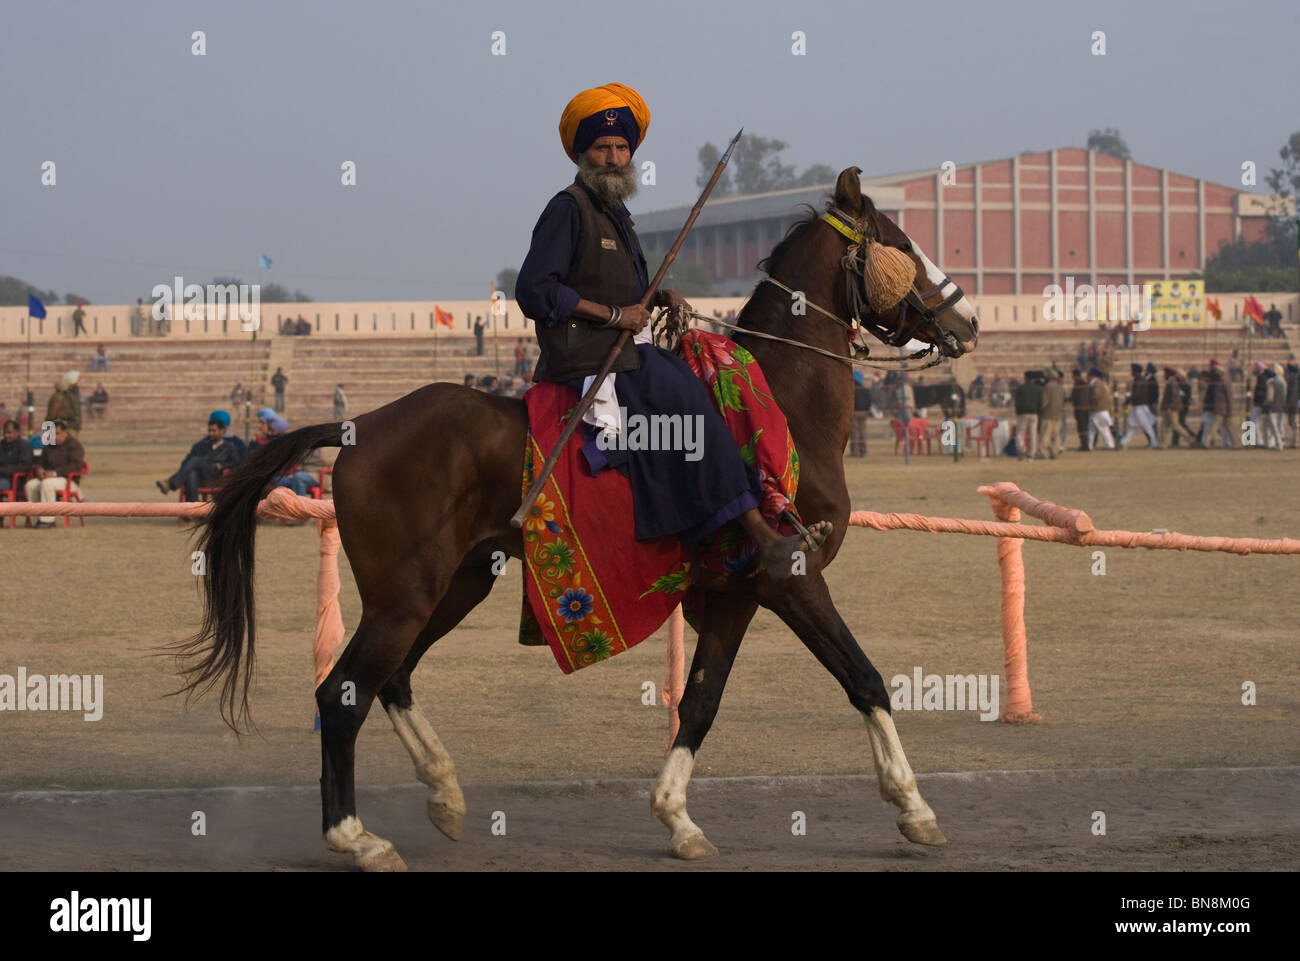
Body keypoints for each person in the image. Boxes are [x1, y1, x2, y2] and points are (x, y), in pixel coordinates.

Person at [514, 81, 828, 572]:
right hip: (590, 355)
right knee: (690, 406)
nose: (614, 157)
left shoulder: (616, 213)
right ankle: (758, 537)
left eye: (621, 147)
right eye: (602, 148)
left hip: (626, 347)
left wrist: (659, 297)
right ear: (582, 154)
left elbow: (620, 290)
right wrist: (617, 317)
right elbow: (535, 291)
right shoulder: (568, 209)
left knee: (717, 376)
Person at [155, 411, 243, 501]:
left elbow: (236, 462)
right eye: (209, 431)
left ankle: (170, 484)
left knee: (196, 461)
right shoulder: (201, 445)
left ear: (222, 431)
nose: (211, 433)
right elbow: (186, 462)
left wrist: (221, 466)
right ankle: (193, 509)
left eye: (214, 431)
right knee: (192, 473)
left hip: (216, 478)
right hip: (200, 479)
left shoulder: (229, 447)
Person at [23, 420, 85, 527]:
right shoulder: (49, 446)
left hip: (67, 480)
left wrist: (55, 473)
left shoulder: (75, 445)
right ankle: (38, 517)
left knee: (48, 484)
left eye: (57, 433)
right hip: (47, 478)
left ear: (65, 433)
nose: (54, 436)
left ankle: (48, 520)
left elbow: (76, 466)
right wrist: (39, 469)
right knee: (30, 486)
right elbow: (40, 462)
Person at [1119, 363, 1160, 449]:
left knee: (1146, 425)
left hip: (1140, 407)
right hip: (1138, 406)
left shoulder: (1139, 381)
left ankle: (1154, 442)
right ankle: (1124, 442)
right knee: (1132, 425)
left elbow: (1135, 394)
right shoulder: (1142, 380)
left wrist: (1127, 402)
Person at [1159, 368, 1197, 448]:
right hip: (1168, 408)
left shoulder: (1172, 383)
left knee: (1175, 426)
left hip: (1171, 408)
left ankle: (1191, 440)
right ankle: (1163, 444)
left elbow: (1174, 397)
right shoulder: (1172, 382)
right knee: (1164, 426)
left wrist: (1170, 408)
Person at [1198, 360, 1233, 448]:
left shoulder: (1222, 381)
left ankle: (1207, 442)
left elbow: (1228, 396)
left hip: (1220, 408)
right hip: (1217, 408)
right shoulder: (1216, 381)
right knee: (1223, 427)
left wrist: (1229, 409)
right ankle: (1231, 443)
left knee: (1219, 427)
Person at [1012, 370, 1042, 461]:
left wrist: (1017, 411)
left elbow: (1017, 402)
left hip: (1023, 413)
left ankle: (1022, 450)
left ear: (1025, 377)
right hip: (1034, 413)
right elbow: (1040, 402)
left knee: (1020, 433)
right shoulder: (1037, 389)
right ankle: (1032, 454)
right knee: (1033, 434)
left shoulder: (1020, 388)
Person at [0, 419, 34, 498]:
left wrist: (4, 470)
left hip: (14, 480)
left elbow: (25, 466)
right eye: (5, 433)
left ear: (17, 432)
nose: (6, 435)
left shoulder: (24, 446)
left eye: (9, 433)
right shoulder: (2, 445)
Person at [1037, 369, 1064, 459]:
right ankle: (1055, 452)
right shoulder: (1060, 387)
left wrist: (1039, 409)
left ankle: (1043, 453)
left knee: (1045, 435)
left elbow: (1044, 401)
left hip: (1047, 415)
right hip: (1058, 415)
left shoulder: (1047, 387)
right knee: (1056, 436)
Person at [1087, 368, 1116, 450]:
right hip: (1100, 409)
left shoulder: (1096, 384)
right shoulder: (1100, 383)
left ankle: (1109, 444)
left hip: (1098, 410)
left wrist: (1091, 403)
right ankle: (1090, 445)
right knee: (1094, 429)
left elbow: (1096, 395)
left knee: (1102, 429)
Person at [1069, 369, 1092, 451]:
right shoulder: (1086, 384)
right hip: (1087, 409)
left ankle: (1084, 445)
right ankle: (1086, 444)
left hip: (1079, 409)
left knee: (1081, 428)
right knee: (1085, 427)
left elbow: (1073, 397)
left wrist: (1066, 400)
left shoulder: (1077, 385)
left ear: (1075, 376)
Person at [849, 370, 869, 457]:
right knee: (862, 432)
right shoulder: (865, 389)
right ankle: (863, 451)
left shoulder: (851, 389)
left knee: (854, 433)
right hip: (864, 413)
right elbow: (869, 401)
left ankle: (855, 452)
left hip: (854, 413)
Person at [1285, 360, 1300, 449]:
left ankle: (1295, 442)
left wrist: (1289, 404)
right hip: (1294, 403)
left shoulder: (1293, 379)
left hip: (1293, 404)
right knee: (1293, 423)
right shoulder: (1293, 378)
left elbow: (1292, 393)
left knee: (1294, 423)